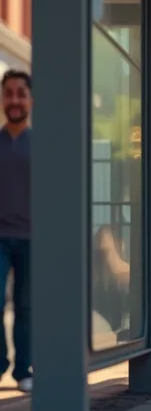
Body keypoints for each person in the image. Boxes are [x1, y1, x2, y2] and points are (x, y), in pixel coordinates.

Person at [0, 69, 33, 392]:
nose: (13, 100)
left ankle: (23, 369)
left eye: (20, 93)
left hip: (32, 239)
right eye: (8, 93)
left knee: (25, 306)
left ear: (30, 99)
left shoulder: (39, 144)